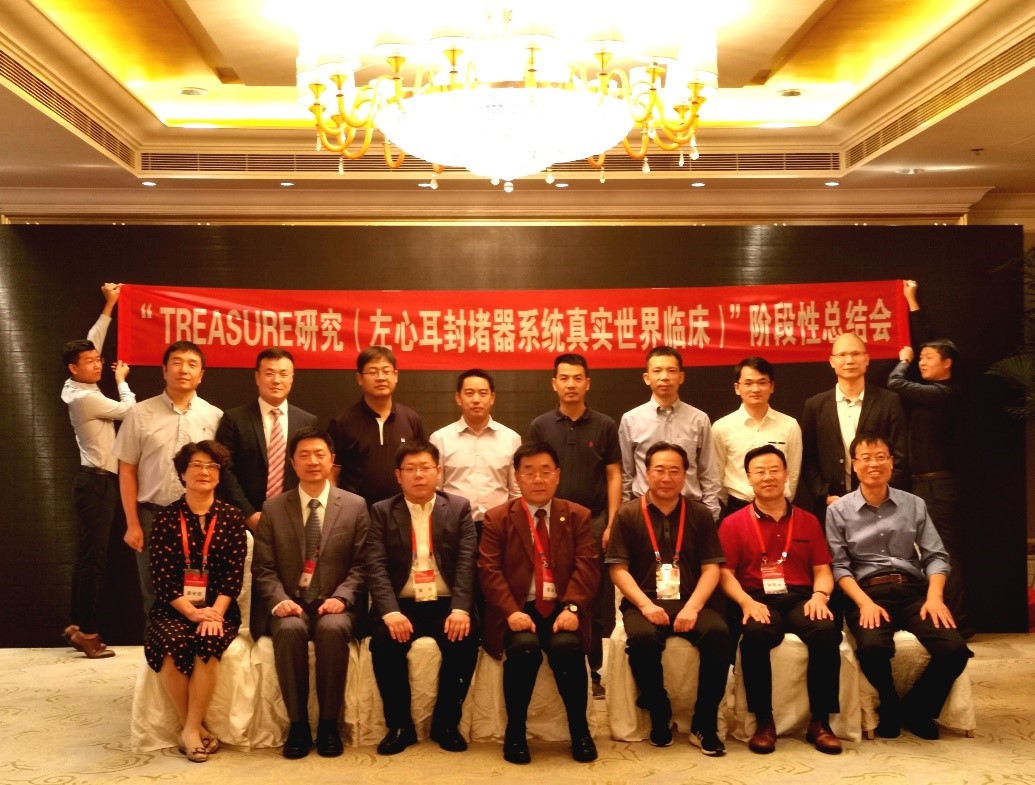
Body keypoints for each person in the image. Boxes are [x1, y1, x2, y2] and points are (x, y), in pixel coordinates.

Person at [826, 433, 972, 740]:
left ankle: (917, 708)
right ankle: (889, 705)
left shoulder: (914, 504)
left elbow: (936, 556)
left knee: (955, 650)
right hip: (868, 593)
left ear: (891, 463)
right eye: (866, 458)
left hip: (912, 591)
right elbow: (839, 566)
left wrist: (935, 597)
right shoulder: (838, 511)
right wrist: (864, 603)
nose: (874, 464)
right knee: (872, 647)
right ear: (854, 465)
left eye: (881, 457)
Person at [606, 441, 731, 756]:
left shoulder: (700, 514)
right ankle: (658, 711)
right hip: (644, 600)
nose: (666, 477)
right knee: (642, 639)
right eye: (659, 470)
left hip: (691, 599)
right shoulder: (627, 514)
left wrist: (693, 607)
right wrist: (646, 606)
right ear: (646, 473)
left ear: (685, 474)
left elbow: (712, 568)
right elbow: (618, 570)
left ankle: (704, 722)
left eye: (674, 471)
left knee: (719, 635)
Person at [251, 427, 369, 759]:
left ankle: (329, 725)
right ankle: (298, 725)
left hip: (335, 602)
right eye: (304, 455)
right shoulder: (274, 507)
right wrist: (279, 600)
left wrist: (342, 597)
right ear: (292, 462)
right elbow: (263, 567)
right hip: (290, 601)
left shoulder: (355, 506)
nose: (313, 461)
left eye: (320, 454)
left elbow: (362, 564)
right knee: (289, 630)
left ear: (332, 460)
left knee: (332, 630)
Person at [479, 442, 599, 764]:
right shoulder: (497, 518)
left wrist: (573, 608)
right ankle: (515, 732)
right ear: (517, 477)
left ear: (557, 475)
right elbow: (489, 571)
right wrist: (511, 612)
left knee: (567, 647)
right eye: (529, 472)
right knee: (524, 648)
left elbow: (587, 566)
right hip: (519, 607)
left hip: (562, 607)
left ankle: (580, 730)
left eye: (546, 471)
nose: (538, 479)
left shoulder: (577, 515)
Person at [719, 445, 842, 755]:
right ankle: (763, 722)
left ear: (786, 475)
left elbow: (822, 570)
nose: (768, 477)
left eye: (774, 470)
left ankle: (821, 722)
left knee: (826, 630)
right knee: (755, 634)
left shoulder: (808, 520)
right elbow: (724, 574)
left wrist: (820, 596)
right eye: (759, 471)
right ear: (749, 478)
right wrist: (745, 602)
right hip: (757, 597)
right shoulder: (733, 523)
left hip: (801, 596)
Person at [366, 441, 479, 755]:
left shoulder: (458, 507)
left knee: (465, 638)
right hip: (402, 604)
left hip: (446, 602)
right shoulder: (382, 511)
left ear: (438, 471)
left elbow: (467, 561)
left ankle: (446, 724)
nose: (418, 475)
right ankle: (399, 727)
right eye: (411, 469)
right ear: (398, 475)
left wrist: (461, 608)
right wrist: (390, 612)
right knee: (384, 641)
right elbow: (375, 565)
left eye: (426, 468)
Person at [145, 440, 247, 763]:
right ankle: (195, 728)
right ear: (182, 473)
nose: (205, 471)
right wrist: (191, 612)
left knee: (208, 640)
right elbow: (161, 578)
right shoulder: (165, 518)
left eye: (212, 466)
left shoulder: (232, 517)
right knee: (171, 643)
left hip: (219, 608)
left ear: (220, 474)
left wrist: (214, 614)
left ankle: (189, 729)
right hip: (174, 608)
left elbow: (233, 576)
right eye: (197, 465)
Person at [529, 353, 621, 696]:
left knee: (590, 598)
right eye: (564, 378)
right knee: (549, 590)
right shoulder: (541, 425)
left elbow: (614, 475)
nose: (571, 384)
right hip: (549, 522)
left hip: (593, 521)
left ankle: (592, 671)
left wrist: (612, 522)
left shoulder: (605, 425)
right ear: (554, 383)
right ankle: (555, 663)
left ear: (587, 383)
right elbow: (533, 473)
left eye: (577, 378)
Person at [115, 341, 222, 618]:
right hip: (153, 515)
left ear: (201, 375)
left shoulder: (215, 416)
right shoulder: (139, 413)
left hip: (200, 519)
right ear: (164, 370)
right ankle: (156, 646)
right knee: (154, 592)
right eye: (176, 363)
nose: (183, 370)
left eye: (192, 364)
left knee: (200, 593)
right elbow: (127, 470)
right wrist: (132, 523)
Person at [888, 279, 969, 634]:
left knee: (942, 552)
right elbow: (930, 340)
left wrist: (902, 362)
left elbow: (895, 384)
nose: (920, 361)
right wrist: (911, 301)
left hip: (936, 486)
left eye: (927, 359)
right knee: (928, 552)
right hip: (923, 484)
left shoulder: (943, 393)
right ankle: (944, 618)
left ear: (947, 364)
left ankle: (959, 622)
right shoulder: (935, 385)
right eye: (918, 358)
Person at [60, 282, 135, 658]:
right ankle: (88, 632)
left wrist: (110, 305)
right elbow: (131, 412)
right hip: (98, 484)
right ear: (74, 369)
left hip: (93, 482)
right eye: (90, 362)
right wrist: (122, 382)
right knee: (94, 560)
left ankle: (77, 623)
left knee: (87, 556)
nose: (98, 364)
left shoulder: (75, 384)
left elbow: (93, 341)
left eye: (98, 359)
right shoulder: (86, 399)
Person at [801, 332, 907, 518]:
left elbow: (899, 454)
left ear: (867, 359)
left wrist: (880, 494)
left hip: (880, 504)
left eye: (856, 354)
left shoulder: (889, 401)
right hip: (833, 505)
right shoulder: (815, 405)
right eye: (842, 355)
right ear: (832, 361)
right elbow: (808, 458)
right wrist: (823, 495)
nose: (849, 360)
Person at [216, 348, 317, 530]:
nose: (276, 380)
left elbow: (311, 469)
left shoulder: (307, 421)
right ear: (257, 377)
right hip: (244, 520)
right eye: (269, 373)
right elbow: (225, 469)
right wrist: (247, 513)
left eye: (283, 374)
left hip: (295, 518)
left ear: (292, 378)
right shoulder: (234, 418)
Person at [619, 345, 721, 520]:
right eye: (657, 371)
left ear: (681, 377)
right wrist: (625, 513)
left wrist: (711, 515)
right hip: (643, 511)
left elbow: (709, 472)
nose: (664, 377)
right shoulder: (631, 420)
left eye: (671, 370)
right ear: (647, 378)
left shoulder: (699, 419)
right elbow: (626, 474)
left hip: (690, 510)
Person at [328, 346, 426, 507]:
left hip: (403, 510)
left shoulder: (411, 419)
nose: (381, 377)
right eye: (373, 372)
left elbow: (420, 467)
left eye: (386, 371)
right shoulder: (342, 422)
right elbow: (331, 475)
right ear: (359, 378)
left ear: (395, 376)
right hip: (356, 513)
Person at [429, 368, 520, 529]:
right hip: (454, 525)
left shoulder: (511, 438)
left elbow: (516, 490)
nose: (476, 400)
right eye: (469, 393)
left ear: (492, 398)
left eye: (483, 393)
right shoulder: (440, 438)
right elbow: (435, 489)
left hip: (500, 525)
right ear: (458, 398)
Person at [712, 357, 802, 519]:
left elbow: (793, 473)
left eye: (762, 382)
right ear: (737, 388)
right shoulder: (721, 427)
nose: (755, 389)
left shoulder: (789, 425)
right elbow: (717, 474)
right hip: (738, 507)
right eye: (748, 383)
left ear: (771, 386)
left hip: (779, 508)